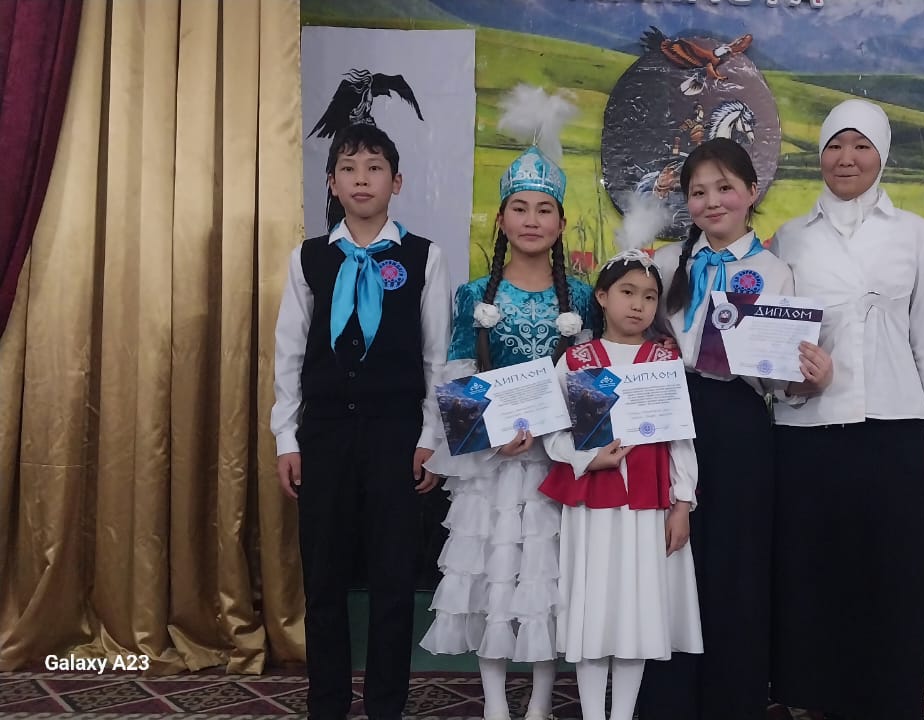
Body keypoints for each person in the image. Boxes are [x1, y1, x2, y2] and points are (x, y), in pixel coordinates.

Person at [770, 98, 924, 720]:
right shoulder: (791, 236)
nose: (846, 158)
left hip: (892, 425)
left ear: (882, 155)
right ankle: (815, 695)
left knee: (890, 571)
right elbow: (773, 344)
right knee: (815, 565)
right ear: (820, 155)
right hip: (809, 428)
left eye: (861, 145)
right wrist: (790, 388)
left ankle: (889, 699)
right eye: (834, 145)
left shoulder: (913, 233)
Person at [419, 85, 597, 720]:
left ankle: (542, 700)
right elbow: (457, 375)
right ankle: (495, 702)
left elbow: (592, 379)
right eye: (518, 208)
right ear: (500, 220)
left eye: (544, 209)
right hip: (494, 462)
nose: (531, 220)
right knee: (494, 581)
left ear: (561, 223)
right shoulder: (473, 296)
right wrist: (492, 436)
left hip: (554, 460)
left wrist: (560, 434)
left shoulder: (584, 296)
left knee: (546, 582)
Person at [270, 123, 452, 720]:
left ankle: (385, 705)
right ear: (332, 183)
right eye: (348, 169)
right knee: (322, 577)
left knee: (392, 577)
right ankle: (326, 703)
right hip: (323, 435)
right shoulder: (310, 258)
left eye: (374, 168)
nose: (361, 179)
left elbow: (436, 357)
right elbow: (289, 354)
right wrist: (287, 437)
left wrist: (429, 438)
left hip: (395, 435)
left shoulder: (424, 257)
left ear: (396, 182)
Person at [637, 137, 796, 720]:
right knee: (670, 556)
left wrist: (797, 370)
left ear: (751, 192)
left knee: (736, 563)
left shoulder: (775, 271)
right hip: (667, 414)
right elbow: (634, 337)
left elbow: (780, 380)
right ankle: (666, 700)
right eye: (698, 192)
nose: (711, 202)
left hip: (738, 424)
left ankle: (733, 699)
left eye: (724, 188)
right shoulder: (664, 263)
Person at [540, 228, 703, 720]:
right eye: (627, 292)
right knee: (594, 611)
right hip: (593, 506)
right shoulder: (577, 360)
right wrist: (590, 459)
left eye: (649, 297)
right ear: (602, 297)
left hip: (648, 507)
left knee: (637, 613)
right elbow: (553, 434)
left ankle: (624, 713)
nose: (638, 305)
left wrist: (682, 502)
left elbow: (680, 438)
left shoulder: (664, 359)